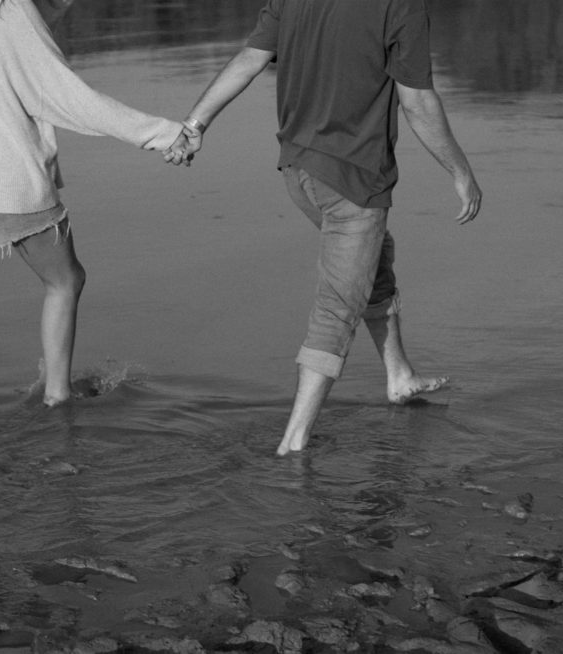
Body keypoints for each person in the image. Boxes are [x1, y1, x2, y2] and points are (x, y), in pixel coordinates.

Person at [166, 0, 483, 455]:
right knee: (337, 309)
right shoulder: (402, 6)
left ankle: (399, 375)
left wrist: (195, 124)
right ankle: (294, 443)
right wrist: (461, 171)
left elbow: (250, 59)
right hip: (353, 179)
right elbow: (416, 101)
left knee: (372, 257)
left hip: (298, 171)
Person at [0, 0, 185, 445]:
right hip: (11, 185)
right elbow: (70, 98)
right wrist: (161, 133)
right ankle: (57, 397)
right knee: (66, 281)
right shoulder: (13, 10)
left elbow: (36, 23)